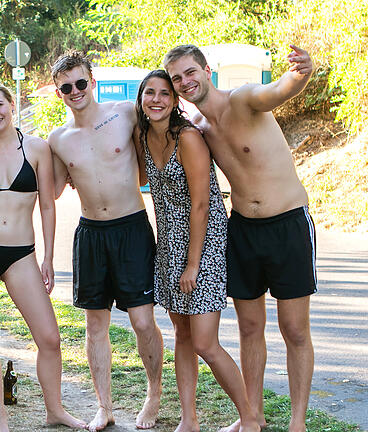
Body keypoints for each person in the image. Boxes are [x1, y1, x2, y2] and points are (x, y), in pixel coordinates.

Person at [163, 44, 316, 432]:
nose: (185, 81)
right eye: (177, 78)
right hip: (243, 229)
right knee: (249, 328)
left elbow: (279, 90)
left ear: (207, 70)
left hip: (288, 225)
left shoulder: (243, 100)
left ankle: (297, 423)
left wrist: (301, 72)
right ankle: (254, 416)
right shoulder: (200, 129)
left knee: (295, 330)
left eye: (190, 72)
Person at [0, 80, 85, 432]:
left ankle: (55, 410)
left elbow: (47, 207)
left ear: (12, 104)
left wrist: (48, 258)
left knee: (50, 338)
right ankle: (0, 418)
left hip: (23, 253)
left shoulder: (38, 149)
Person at [133, 70, 259, 432]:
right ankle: (189, 419)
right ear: (141, 100)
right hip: (168, 244)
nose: (155, 100)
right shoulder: (143, 135)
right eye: (149, 94)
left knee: (205, 341)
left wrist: (192, 264)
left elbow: (203, 204)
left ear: (175, 101)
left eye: (163, 94)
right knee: (182, 334)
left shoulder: (187, 138)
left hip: (203, 244)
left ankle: (250, 419)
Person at [47, 50, 164, 430]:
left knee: (143, 322)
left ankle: (153, 394)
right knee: (94, 325)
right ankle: (105, 407)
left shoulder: (125, 112)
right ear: (58, 91)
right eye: (66, 86)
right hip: (90, 234)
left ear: (92, 82)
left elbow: (161, 132)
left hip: (131, 228)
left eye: (81, 82)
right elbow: (50, 192)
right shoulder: (58, 139)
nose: (75, 90)